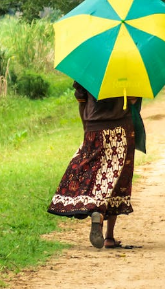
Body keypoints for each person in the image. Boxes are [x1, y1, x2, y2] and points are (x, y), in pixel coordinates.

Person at [47, 82, 142, 249]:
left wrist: (87, 130)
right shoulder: (129, 70)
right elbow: (133, 102)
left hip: (94, 128)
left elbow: (82, 103)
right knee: (116, 179)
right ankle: (109, 237)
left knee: (92, 172)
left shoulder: (89, 69)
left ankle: (96, 210)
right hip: (121, 129)